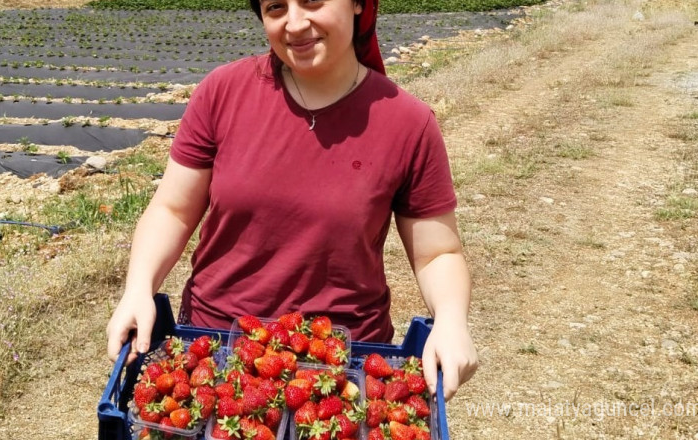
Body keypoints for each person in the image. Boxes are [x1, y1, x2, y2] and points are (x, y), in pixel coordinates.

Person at [106, 0, 478, 401]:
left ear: (356, 4)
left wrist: (451, 319)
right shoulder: (223, 92)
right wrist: (139, 287)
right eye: (276, 8)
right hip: (216, 349)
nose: (295, 24)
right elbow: (172, 210)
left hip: (342, 366)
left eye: (312, 2)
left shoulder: (408, 122)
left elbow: (437, 253)